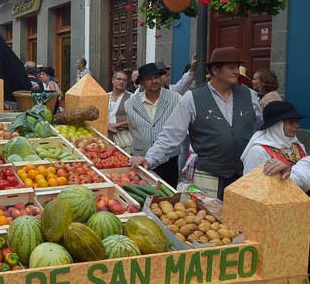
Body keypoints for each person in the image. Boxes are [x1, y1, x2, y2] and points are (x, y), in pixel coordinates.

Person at [132, 47, 262, 199]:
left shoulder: (250, 95)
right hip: (208, 175)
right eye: (231, 68)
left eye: (237, 67)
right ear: (215, 70)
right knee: (207, 218)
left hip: (244, 174)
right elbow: (171, 134)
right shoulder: (192, 98)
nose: (236, 72)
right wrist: (149, 159)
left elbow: (259, 128)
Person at [126, 63, 182, 186]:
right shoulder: (130, 104)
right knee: (143, 194)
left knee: (168, 194)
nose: (155, 81)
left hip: (168, 160)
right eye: (149, 78)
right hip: (141, 158)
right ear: (141, 82)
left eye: (157, 77)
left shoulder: (175, 98)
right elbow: (132, 129)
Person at [241, 101, 305, 176]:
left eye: (297, 121)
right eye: (291, 122)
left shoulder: (296, 145)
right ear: (276, 125)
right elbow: (251, 183)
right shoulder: (258, 152)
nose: (297, 126)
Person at [108, 70, 132, 154]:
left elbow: (136, 120)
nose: (121, 82)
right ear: (112, 80)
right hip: (104, 135)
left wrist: (116, 125)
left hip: (123, 136)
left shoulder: (132, 98)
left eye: (124, 80)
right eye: (119, 79)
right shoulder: (104, 96)